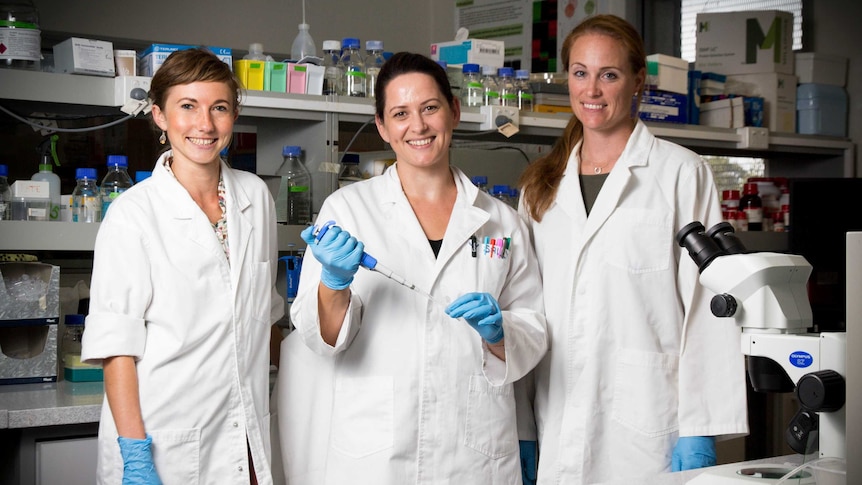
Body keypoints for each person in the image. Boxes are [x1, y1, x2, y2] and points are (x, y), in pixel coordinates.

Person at [277, 52, 547, 484]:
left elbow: (533, 329)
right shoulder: (347, 210)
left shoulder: (501, 221)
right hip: (378, 451)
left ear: (454, 111)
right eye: (400, 113)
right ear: (383, 127)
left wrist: (501, 333)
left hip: (474, 452)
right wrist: (334, 283)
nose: (417, 126)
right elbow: (321, 339)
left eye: (430, 108)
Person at [516, 14, 749, 484]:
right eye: (580, 73)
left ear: (638, 80)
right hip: (556, 414)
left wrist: (701, 426)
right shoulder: (540, 185)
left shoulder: (680, 173)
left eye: (609, 74)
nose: (592, 90)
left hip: (649, 423)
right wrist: (520, 424)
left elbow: (709, 306)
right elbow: (524, 310)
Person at [81, 48, 285, 485]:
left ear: (234, 115)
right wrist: (135, 454)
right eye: (187, 107)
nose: (205, 125)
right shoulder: (134, 213)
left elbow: (263, 316)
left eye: (219, 108)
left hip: (244, 435)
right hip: (162, 438)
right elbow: (118, 346)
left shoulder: (256, 198)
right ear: (159, 116)